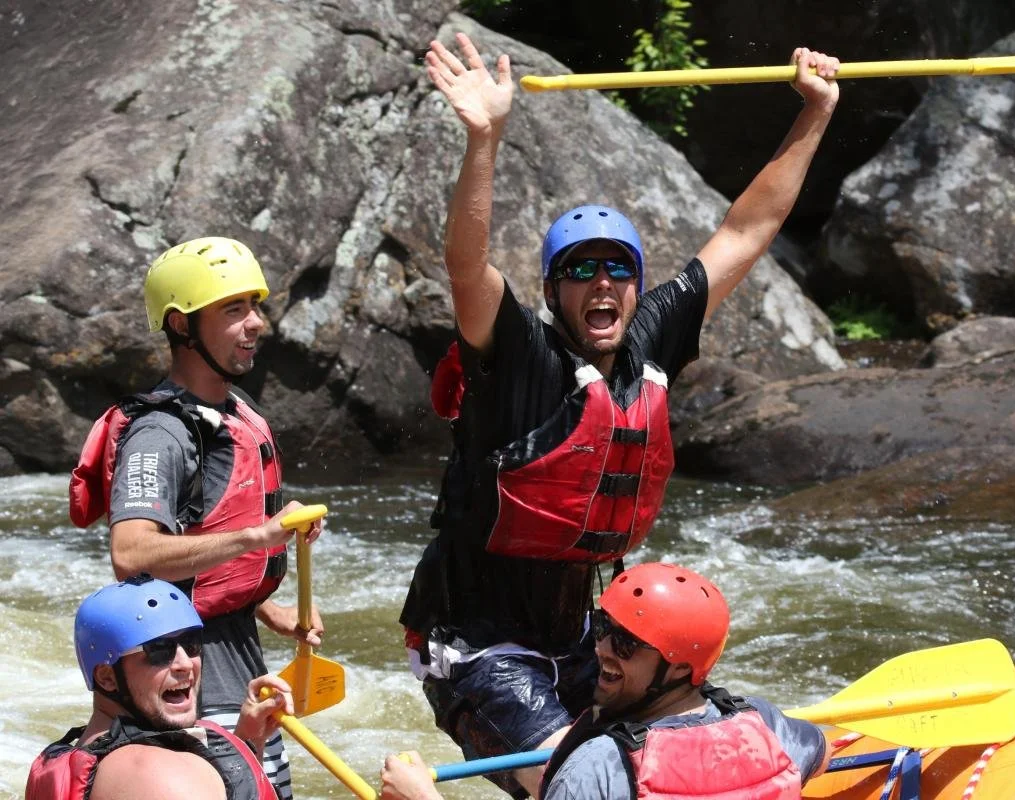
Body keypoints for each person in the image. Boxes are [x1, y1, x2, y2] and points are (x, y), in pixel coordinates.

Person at [399, 30, 841, 799]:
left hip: (585, 634)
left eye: (617, 270)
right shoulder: (520, 357)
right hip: (475, 643)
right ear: (554, 291)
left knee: (665, 761)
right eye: (579, 271)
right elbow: (466, 266)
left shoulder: (651, 341)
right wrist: (484, 137)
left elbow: (747, 229)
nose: (600, 284)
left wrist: (815, 113)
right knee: (575, 783)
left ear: (635, 287)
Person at [67, 236, 323, 799]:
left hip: (240, 667)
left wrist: (268, 604)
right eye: (234, 310)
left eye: (256, 306)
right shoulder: (160, 433)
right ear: (182, 326)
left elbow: (204, 550)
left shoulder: (233, 412)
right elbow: (131, 553)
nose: (256, 323)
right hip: (190, 686)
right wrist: (261, 534)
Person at [380, 563, 831, 800]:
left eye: (629, 643)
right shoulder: (763, 722)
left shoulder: (599, 764)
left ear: (676, 668)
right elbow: (823, 749)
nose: (603, 650)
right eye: (602, 628)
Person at [25, 575, 294, 800]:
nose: (185, 663)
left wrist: (248, 740)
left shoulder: (82, 752)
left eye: (191, 644)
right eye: (159, 650)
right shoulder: (153, 774)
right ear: (107, 677)